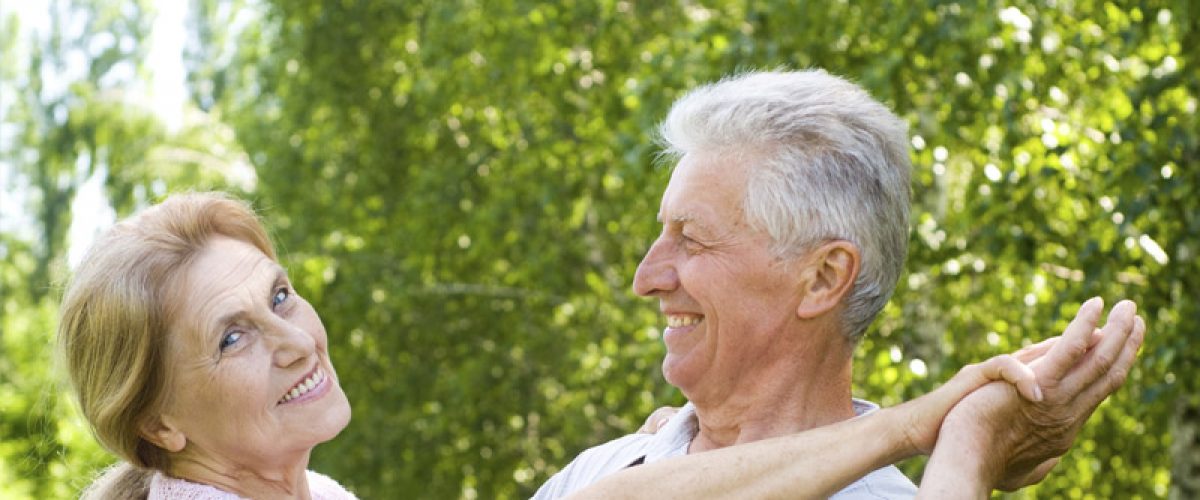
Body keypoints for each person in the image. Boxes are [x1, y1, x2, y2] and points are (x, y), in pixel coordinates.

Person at [533, 69, 1146, 499]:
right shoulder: (602, 470)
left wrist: (970, 440)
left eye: (691, 238)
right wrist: (933, 428)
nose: (646, 278)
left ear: (823, 278)